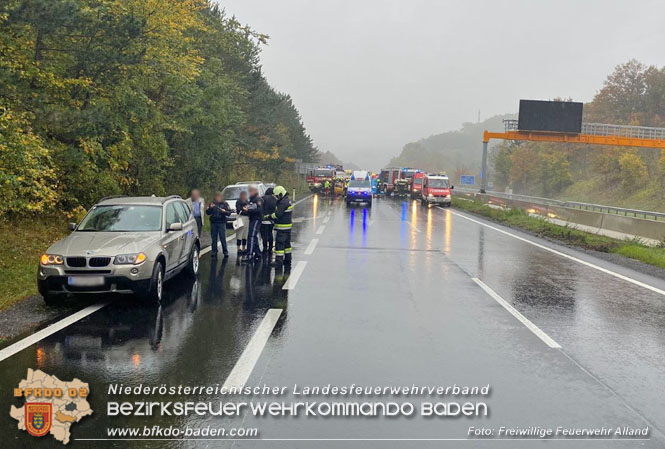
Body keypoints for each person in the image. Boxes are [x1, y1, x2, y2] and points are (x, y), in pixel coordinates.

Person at [271, 186, 293, 268]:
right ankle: (288, 259)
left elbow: (278, 214)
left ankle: (279, 261)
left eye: (277, 196)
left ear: (281, 194)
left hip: (282, 228)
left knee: (279, 245)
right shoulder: (287, 200)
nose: (276, 198)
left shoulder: (283, 203)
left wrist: (269, 216)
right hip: (287, 228)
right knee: (287, 246)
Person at [241, 186, 264, 263]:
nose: (250, 193)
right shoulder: (251, 199)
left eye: (251, 191)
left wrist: (249, 210)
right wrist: (246, 210)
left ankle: (249, 255)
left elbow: (259, 210)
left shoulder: (258, 199)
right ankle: (258, 253)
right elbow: (248, 208)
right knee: (253, 237)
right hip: (252, 219)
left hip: (256, 219)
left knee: (251, 236)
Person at [205, 192, 231, 258]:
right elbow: (207, 213)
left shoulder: (225, 204)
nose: (218, 198)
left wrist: (224, 212)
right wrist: (210, 208)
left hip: (221, 222)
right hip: (213, 223)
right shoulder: (212, 203)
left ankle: (225, 252)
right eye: (217, 197)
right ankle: (214, 251)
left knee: (223, 238)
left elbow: (229, 212)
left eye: (220, 197)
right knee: (214, 238)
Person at [261, 187, 276, 256]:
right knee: (270, 233)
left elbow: (260, 208)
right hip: (271, 220)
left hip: (263, 220)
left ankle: (264, 248)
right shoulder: (274, 199)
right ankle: (270, 248)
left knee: (264, 235)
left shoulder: (263, 198)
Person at [236, 190, 250, 255]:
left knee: (245, 234)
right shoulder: (238, 202)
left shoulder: (248, 202)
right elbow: (239, 210)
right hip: (240, 218)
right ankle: (238, 248)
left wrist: (246, 210)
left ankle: (244, 248)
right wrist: (244, 210)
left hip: (247, 218)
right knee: (239, 233)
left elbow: (249, 210)